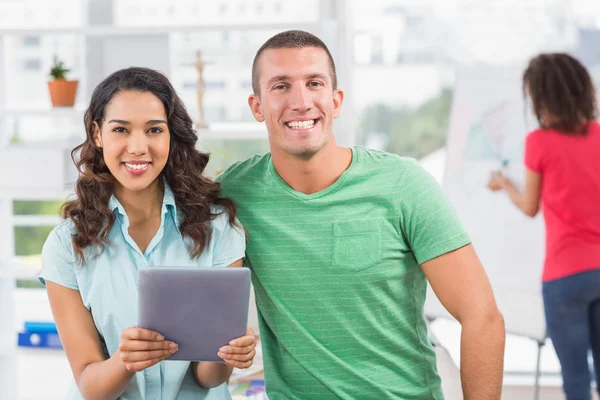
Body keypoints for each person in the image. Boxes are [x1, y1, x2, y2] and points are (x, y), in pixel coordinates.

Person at [218, 30, 505, 399]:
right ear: (257, 106)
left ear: (336, 101)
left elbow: (482, 315)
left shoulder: (404, 185)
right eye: (281, 86)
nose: (301, 101)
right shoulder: (233, 195)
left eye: (314, 83)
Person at [40, 67, 256, 400]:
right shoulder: (66, 245)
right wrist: (124, 362)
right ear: (98, 135)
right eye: (121, 130)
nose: (138, 147)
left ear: (171, 135)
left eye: (154, 129)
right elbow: (90, 385)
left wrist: (227, 353)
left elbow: (208, 377)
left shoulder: (217, 227)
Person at [488, 53, 600, 400]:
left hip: (564, 277)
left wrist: (504, 184)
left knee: (576, 378)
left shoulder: (539, 142)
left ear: (540, 97)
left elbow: (530, 206)